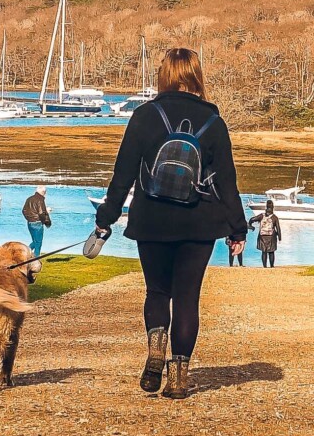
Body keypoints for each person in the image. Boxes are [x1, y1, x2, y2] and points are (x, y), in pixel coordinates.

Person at [92, 47, 245, 402]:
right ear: (196, 75)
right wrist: (237, 228)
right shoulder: (214, 122)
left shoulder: (144, 116)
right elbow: (228, 182)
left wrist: (106, 219)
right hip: (199, 223)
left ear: (164, 74)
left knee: (157, 292)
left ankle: (155, 351)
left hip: (152, 219)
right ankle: (178, 378)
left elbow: (123, 175)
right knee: (187, 299)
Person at [22, 187, 53, 258]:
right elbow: (41, 213)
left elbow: (24, 211)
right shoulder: (40, 200)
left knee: (35, 241)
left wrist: (29, 218)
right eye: (45, 192)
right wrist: (47, 222)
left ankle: (25, 253)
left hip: (30, 223)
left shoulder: (29, 199)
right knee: (38, 242)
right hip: (37, 223)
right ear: (44, 192)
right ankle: (36, 258)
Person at [254, 200, 283, 269]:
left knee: (264, 252)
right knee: (271, 251)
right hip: (272, 236)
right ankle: (272, 266)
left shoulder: (262, 216)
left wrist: (250, 224)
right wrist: (279, 238)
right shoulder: (275, 217)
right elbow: (278, 228)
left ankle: (264, 266)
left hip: (262, 236)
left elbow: (253, 219)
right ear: (273, 207)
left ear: (266, 207)